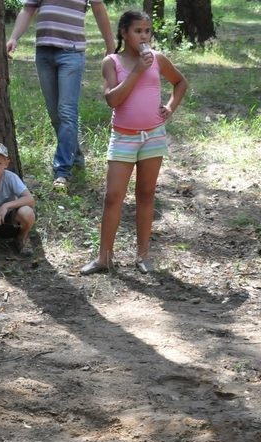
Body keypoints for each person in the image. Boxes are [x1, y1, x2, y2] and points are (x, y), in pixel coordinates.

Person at [80, 10, 187, 275]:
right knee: (113, 196)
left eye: (147, 31)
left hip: (153, 136)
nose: (144, 36)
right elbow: (113, 100)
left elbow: (180, 82)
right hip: (124, 137)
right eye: (138, 31)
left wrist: (170, 107)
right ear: (124, 33)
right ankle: (104, 258)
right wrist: (138, 70)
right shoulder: (111, 61)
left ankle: (143, 255)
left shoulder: (158, 59)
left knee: (146, 194)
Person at [7, 0, 116, 189]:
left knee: (66, 111)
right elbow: (28, 9)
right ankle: (76, 158)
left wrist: (110, 45)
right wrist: (14, 38)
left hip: (71, 53)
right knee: (55, 114)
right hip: (43, 52)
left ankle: (62, 170)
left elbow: (99, 9)